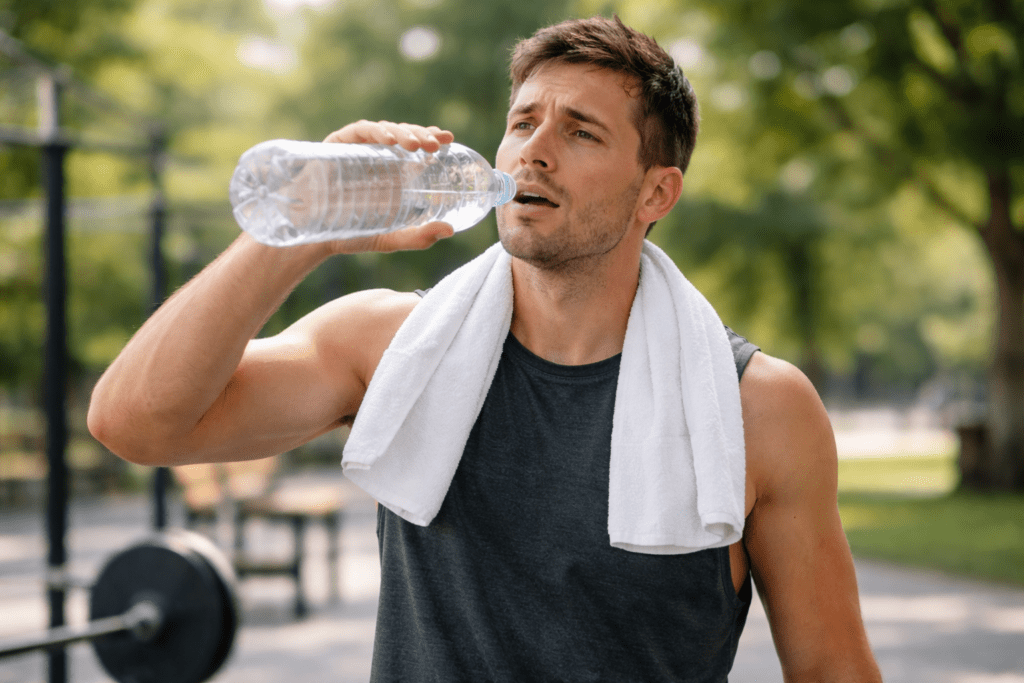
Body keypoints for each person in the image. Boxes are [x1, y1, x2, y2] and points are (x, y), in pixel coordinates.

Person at [88, 15, 882, 683]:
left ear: (655, 193)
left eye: (580, 131)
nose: (534, 149)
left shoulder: (760, 407)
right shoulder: (391, 344)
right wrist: (299, 228)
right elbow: (136, 424)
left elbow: (833, 670)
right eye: (522, 121)